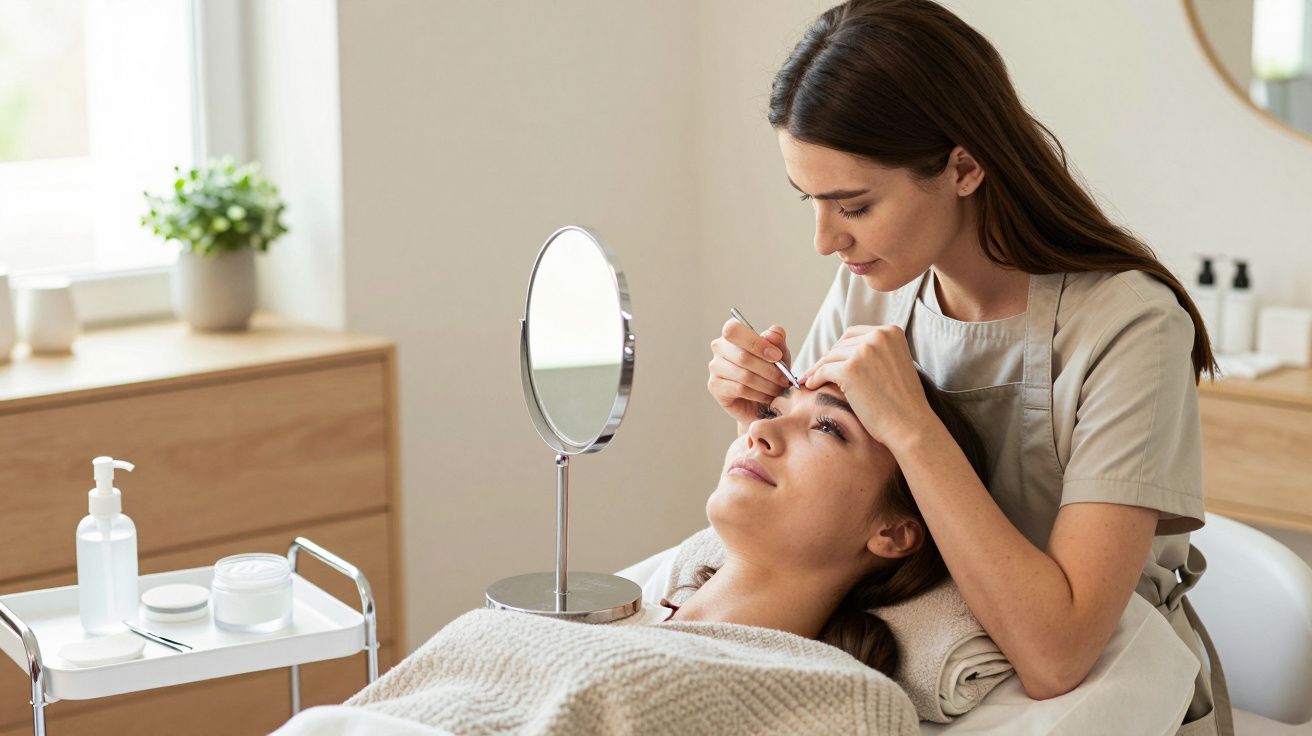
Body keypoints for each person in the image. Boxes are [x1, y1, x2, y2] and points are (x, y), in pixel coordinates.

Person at [705, 1, 1230, 734]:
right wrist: (765, 416)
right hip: (938, 664)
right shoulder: (874, 284)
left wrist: (915, 432)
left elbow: (1059, 656)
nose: (826, 240)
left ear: (965, 165)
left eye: (852, 204)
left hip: (1100, 694)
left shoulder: (1129, 327)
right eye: (811, 203)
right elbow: (835, 515)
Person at [665, 377, 988, 678]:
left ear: (893, 533)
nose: (760, 427)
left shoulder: (837, 705)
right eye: (771, 411)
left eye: (828, 428)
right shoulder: (629, 620)